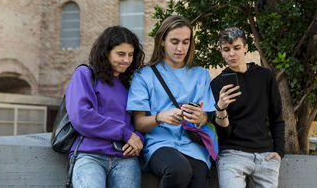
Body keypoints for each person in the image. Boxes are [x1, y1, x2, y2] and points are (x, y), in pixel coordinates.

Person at [127, 15, 216, 188]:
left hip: (192, 145)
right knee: (179, 169)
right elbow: (138, 123)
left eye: (185, 42)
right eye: (174, 41)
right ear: (162, 41)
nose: (180, 48)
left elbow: (207, 116)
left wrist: (199, 118)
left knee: (199, 175)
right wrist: (159, 117)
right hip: (158, 145)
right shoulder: (144, 76)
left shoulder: (201, 74)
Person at [65, 26, 145, 188]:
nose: (127, 60)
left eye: (131, 55)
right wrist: (124, 133)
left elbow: (140, 122)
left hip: (125, 158)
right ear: (105, 52)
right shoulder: (85, 74)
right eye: (121, 54)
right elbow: (82, 116)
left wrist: (138, 139)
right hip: (89, 156)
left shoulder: (131, 84)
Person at [211, 27, 285, 188]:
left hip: (266, 155)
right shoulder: (217, 84)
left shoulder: (265, 77)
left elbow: (276, 117)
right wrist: (221, 108)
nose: (231, 54)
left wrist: (279, 152)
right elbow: (223, 133)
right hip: (232, 155)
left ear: (246, 47)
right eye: (226, 49)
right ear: (221, 52)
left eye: (236, 48)